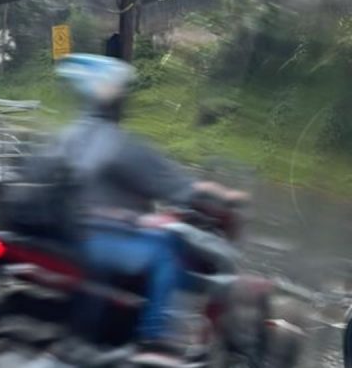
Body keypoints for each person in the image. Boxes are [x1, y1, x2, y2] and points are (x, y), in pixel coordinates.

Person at [51, 54, 247, 357]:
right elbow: (180, 187)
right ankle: (155, 338)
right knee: (166, 252)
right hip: (98, 239)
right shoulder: (117, 143)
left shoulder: (68, 136)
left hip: (69, 234)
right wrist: (229, 197)